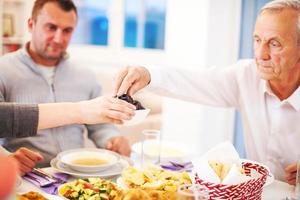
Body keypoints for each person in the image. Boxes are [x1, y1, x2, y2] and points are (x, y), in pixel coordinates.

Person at [114, 0, 300, 185]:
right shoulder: (246, 76)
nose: (261, 54)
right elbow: (195, 81)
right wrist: (148, 75)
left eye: (274, 44)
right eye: (257, 40)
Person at [0, 0, 132, 169]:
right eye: (51, 27)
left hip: (78, 174)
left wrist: (112, 138)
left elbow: (100, 125)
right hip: (32, 176)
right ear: (31, 25)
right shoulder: (3, 69)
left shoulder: (85, 75)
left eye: (67, 30)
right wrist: (6, 158)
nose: (58, 38)